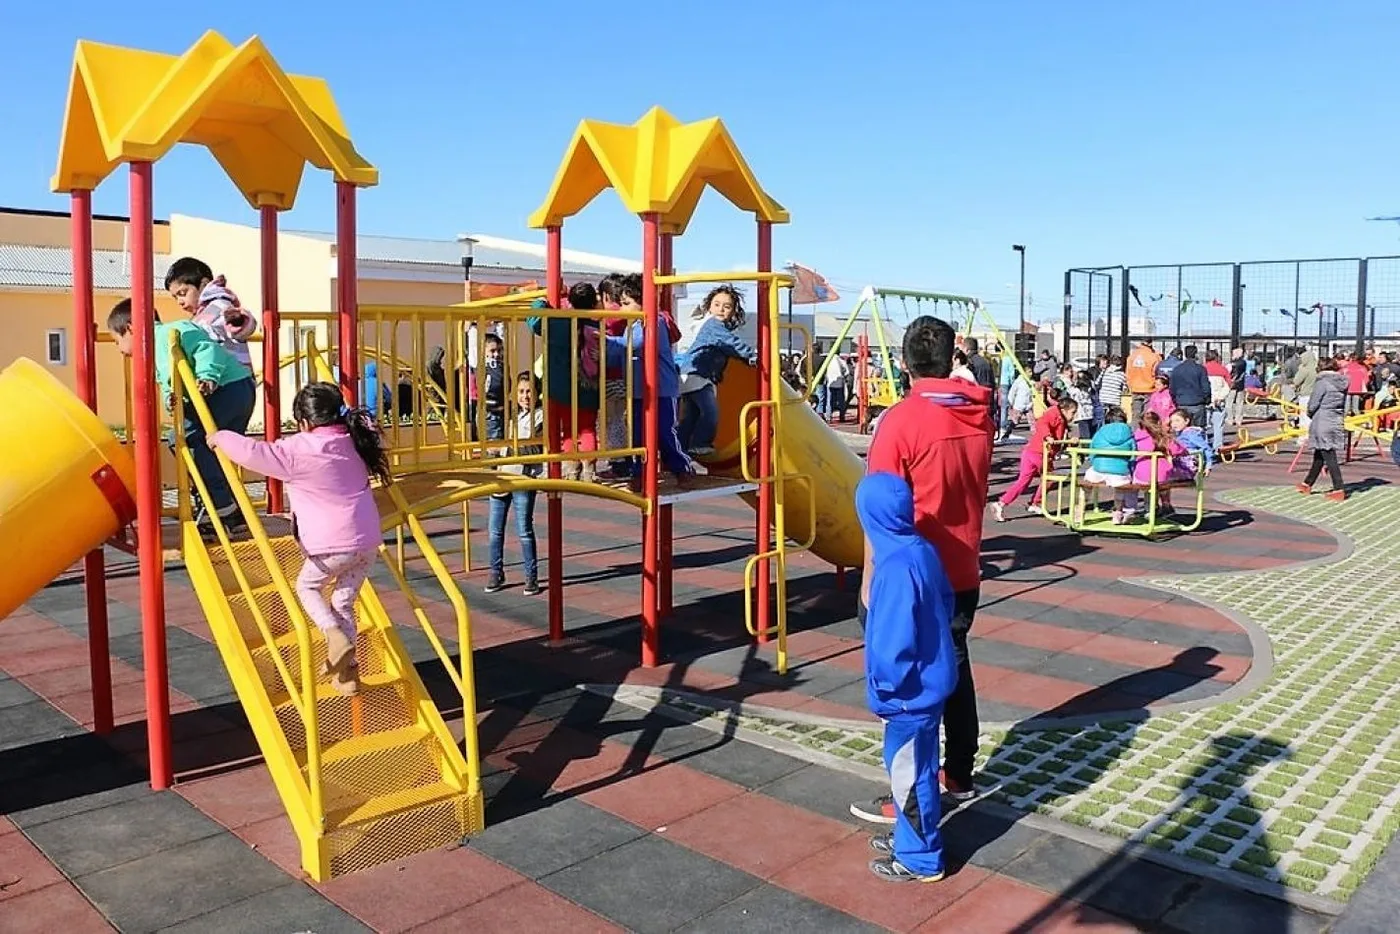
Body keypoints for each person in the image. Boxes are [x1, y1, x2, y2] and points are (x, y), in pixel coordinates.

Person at [850, 316, 992, 826]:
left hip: (911, 574)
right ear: (952, 357)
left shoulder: (901, 421)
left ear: (905, 363)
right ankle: (957, 771)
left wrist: (869, 585)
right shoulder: (978, 411)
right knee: (954, 670)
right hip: (962, 565)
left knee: (913, 688)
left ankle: (914, 795)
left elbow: (879, 509)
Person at [208, 382, 389, 695]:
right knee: (343, 601)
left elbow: (251, 452)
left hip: (331, 546)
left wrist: (219, 437)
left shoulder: (296, 451)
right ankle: (347, 672)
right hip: (368, 542)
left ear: (304, 423)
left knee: (307, 586)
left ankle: (333, 635)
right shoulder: (356, 442)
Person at [856, 472, 957, 883]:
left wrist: (886, 688)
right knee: (914, 770)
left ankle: (920, 856)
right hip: (928, 684)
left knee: (911, 776)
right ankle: (908, 835)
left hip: (908, 694)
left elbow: (892, 642)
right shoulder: (920, 550)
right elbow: (947, 601)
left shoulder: (894, 566)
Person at [106, 298, 255, 537]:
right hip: (231, 390)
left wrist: (207, 376)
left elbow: (207, 348)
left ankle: (223, 507)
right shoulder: (155, 354)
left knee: (186, 439)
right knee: (213, 448)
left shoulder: (170, 332)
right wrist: (170, 400)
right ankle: (223, 509)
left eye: (117, 341)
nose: (119, 350)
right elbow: (169, 383)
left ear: (131, 328)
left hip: (226, 388)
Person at [615, 274, 698, 484]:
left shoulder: (654, 321)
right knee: (637, 434)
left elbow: (635, 343)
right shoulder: (631, 325)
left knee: (664, 431)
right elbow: (622, 348)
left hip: (661, 389)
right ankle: (639, 472)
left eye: (626, 303)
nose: (621, 309)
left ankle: (681, 467)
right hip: (638, 390)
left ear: (644, 302)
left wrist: (606, 341)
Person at [527, 286, 602, 481]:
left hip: (560, 387)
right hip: (588, 385)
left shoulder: (556, 323)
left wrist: (541, 301)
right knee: (587, 428)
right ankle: (589, 470)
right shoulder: (597, 324)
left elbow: (534, 320)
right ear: (594, 303)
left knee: (568, 429)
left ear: (570, 301)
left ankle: (570, 468)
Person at [676, 285, 756, 455]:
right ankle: (700, 443)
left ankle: (679, 451)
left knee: (691, 416)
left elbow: (727, 347)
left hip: (694, 374)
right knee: (710, 411)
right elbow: (731, 343)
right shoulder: (714, 325)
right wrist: (752, 355)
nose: (721, 309)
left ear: (733, 311)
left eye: (726, 307)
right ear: (709, 307)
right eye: (717, 304)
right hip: (697, 374)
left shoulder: (714, 327)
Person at [487, 372, 545, 595]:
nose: (525, 396)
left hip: (522, 478)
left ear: (537, 393)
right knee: (495, 531)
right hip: (503, 476)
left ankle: (531, 577)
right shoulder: (512, 416)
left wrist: (511, 448)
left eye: (529, 391)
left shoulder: (539, 417)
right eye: (521, 391)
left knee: (524, 530)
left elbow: (534, 448)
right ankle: (495, 571)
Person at [993, 395, 1076, 522]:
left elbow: (1058, 438)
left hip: (1031, 452)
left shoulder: (1060, 418)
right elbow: (1042, 424)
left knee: (1023, 481)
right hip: (1040, 453)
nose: (1074, 416)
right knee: (1048, 479)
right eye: (1073, 413)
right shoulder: (1054, 414)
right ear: (1064, 409)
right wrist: (1048, 436)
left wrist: (1069, 441)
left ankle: (1001, 503)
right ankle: (1035, 503)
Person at [164, 256, 257, 368]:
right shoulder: (200, 315)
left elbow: (242, 326)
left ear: (204, 284)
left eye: (183, 293)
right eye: (175, 297)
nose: (180, 301)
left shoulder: (219, 305)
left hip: (233, 379)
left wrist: (238, 320)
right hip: (217, 377)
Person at [1297, 357, 1349, 502]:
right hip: (1336, 417)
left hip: (1322, 419)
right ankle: (1307, 483)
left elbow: (1313, 403)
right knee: (1320, 453)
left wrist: (1309, 413)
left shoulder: (1322, 382)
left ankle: (1339, 488)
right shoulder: (1342, 382)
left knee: (1328, 454)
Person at [1083, 407, 1137, 524]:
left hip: (1099, 468)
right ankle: (1117, 513)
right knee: (1120, 488)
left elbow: (1092, 450)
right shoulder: (1129, 433)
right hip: (1120, 470)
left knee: (1087, 480)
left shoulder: (1100, 432)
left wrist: (1094, 461)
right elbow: (1133, 455)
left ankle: (1081, 509)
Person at [1168, 345, 1210, 427]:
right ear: (1196, 354)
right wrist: (1206, 399)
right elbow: (1206, 388)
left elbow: (1172, 388)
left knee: (1182, 429)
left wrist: (1176, 400)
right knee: (1198, 430)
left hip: (1182, 402)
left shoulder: (1177, 369)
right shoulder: (1200, 369)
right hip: (1197, 403)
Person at [1125, 339, 1162, 419]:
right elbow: (1157, 374)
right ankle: (1146, 431)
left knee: (1135, 415)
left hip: (1135, 389)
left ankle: (1136, 431)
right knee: (1148, 415)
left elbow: (1128, 373)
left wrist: (1130, 385)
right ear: (1150, 343)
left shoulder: (1132, 356)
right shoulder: (1155, 357)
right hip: (1150, 389)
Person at [1203, 349, 1231, 450]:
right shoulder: (1223, 369)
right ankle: (1218, 447)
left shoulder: (1203, 369)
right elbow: (1228, 385)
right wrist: (1220, 397)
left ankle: (1204, 447)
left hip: (1206, 400)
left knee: (1203, 426)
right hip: (1219, 401)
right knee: (1218, 426)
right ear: (1216, 357)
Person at [1096, 354, 1127, 428]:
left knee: (1102, 418)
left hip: (1103, 397)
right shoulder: (1122, 374)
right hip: (1115, 399)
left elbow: (1097, 382)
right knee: (1115, 416)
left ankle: (1101, 431)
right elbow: (1125, 388)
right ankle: (1113, 429)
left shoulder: (1105, 371)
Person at [1226, 347, 1249, 428]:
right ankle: (1238, 419)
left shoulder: (1232, 364)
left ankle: (1230, 419)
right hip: (1241, 384)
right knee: (1240, 403)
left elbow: (1229, 372)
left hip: (1232, 384)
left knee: (1229, 402)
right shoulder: (1244, 363)